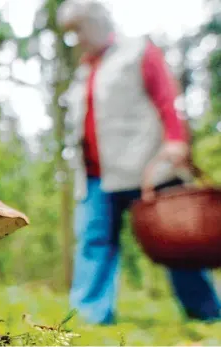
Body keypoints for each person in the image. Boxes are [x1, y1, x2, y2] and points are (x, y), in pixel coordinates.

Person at [57, 0, 221, 325]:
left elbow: (165, 97)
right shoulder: (85, 70)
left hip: (147, 167)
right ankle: (89, 317)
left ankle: (207, 315)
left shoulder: (137, 52)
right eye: (71, 33)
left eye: (80, 29)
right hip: (94, 176)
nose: (77, 39)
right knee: (94, 241)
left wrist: (176, 140)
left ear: (97, 23)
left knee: (179, 238)